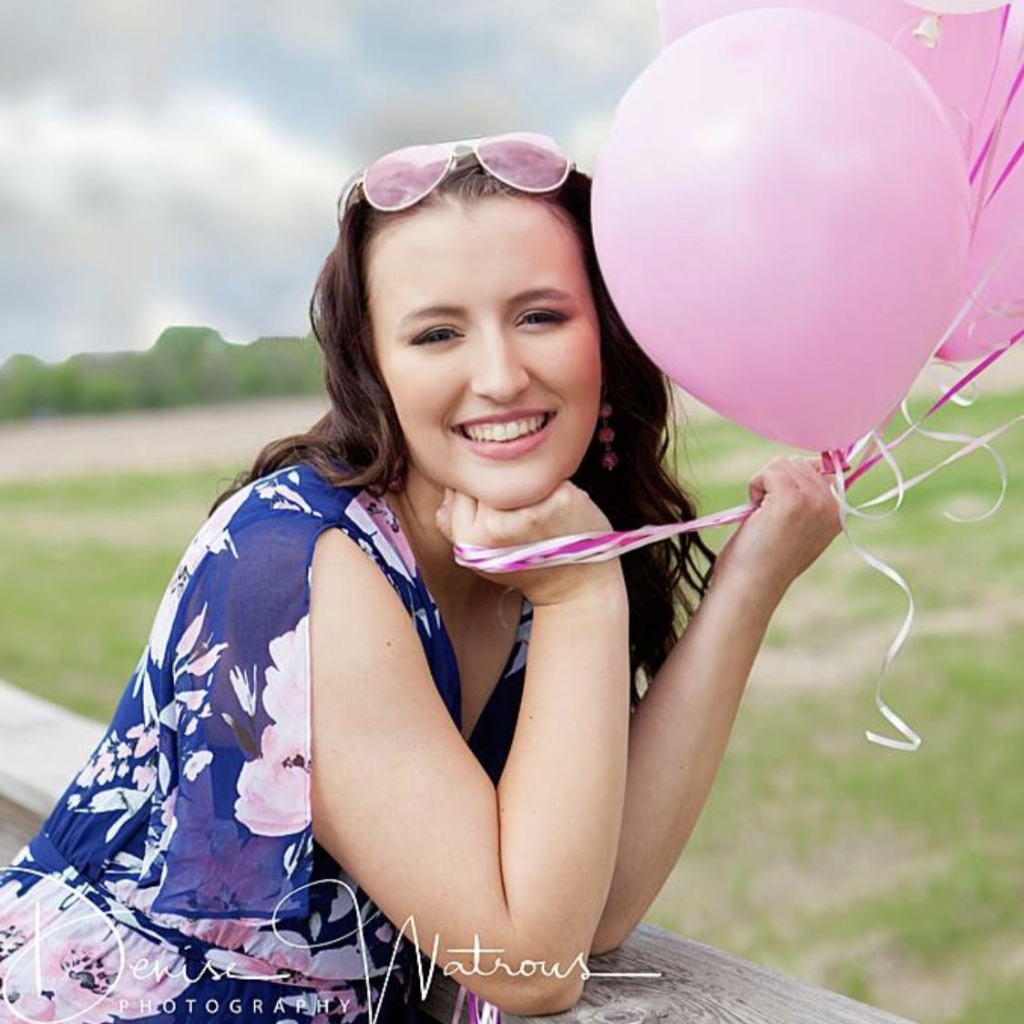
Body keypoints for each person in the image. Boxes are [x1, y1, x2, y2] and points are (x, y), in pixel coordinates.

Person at [0, 132, 842, 1023]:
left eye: (541, 316)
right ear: (376, 369)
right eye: (438, 332)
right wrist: (580, 587)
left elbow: (594, 903)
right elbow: (530, 964)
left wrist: (746, 588)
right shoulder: (297, 565)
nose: (499, 375)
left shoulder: (530, 541)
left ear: (610, 331)